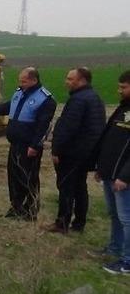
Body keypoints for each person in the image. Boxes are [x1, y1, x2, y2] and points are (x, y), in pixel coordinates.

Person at [0, 67, 56, 220]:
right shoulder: (19, 93)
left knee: (28, 178)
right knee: (14, 177)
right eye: (20, 81)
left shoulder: (45, 100)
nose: (20, 83)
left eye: (24, 81)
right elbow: (7, 108)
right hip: (15, 144)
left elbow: (43, 127)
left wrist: (34, 146)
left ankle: (30, 211)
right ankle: (16, 208)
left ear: (34, 80)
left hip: (28, 147)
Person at [47, 67, 106, 233]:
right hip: (86, 153)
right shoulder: (95, 98)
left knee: (66, 187)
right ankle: (79, 223)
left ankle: (62, 223)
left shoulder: (78, 100)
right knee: (80, 187)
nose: (66, 82)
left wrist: (57, 150)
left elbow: (68, 128)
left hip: (72, 153)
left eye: (70, 79)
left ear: (81, 81)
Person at [93, 70, 130, 273]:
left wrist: (125, 176)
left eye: (123, 87)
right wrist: (101, 168)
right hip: (110, 173)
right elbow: (110, 141)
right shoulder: (124, 109)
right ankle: (115, 248)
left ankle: (127, 261)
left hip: (124, 178)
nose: (119, 90)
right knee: (115, 215)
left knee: (127, 219)